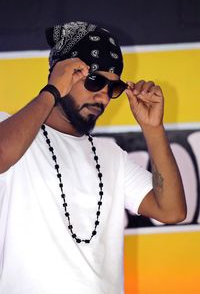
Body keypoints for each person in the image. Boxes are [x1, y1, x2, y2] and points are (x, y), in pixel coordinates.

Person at [0, 21, 186, 294]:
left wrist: (153, 128)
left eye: (113, 88)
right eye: (95, 80)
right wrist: (51, 91)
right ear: (63, 73)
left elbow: (172, 210)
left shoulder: (110, 156)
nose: (103, 96)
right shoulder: (10, 131)